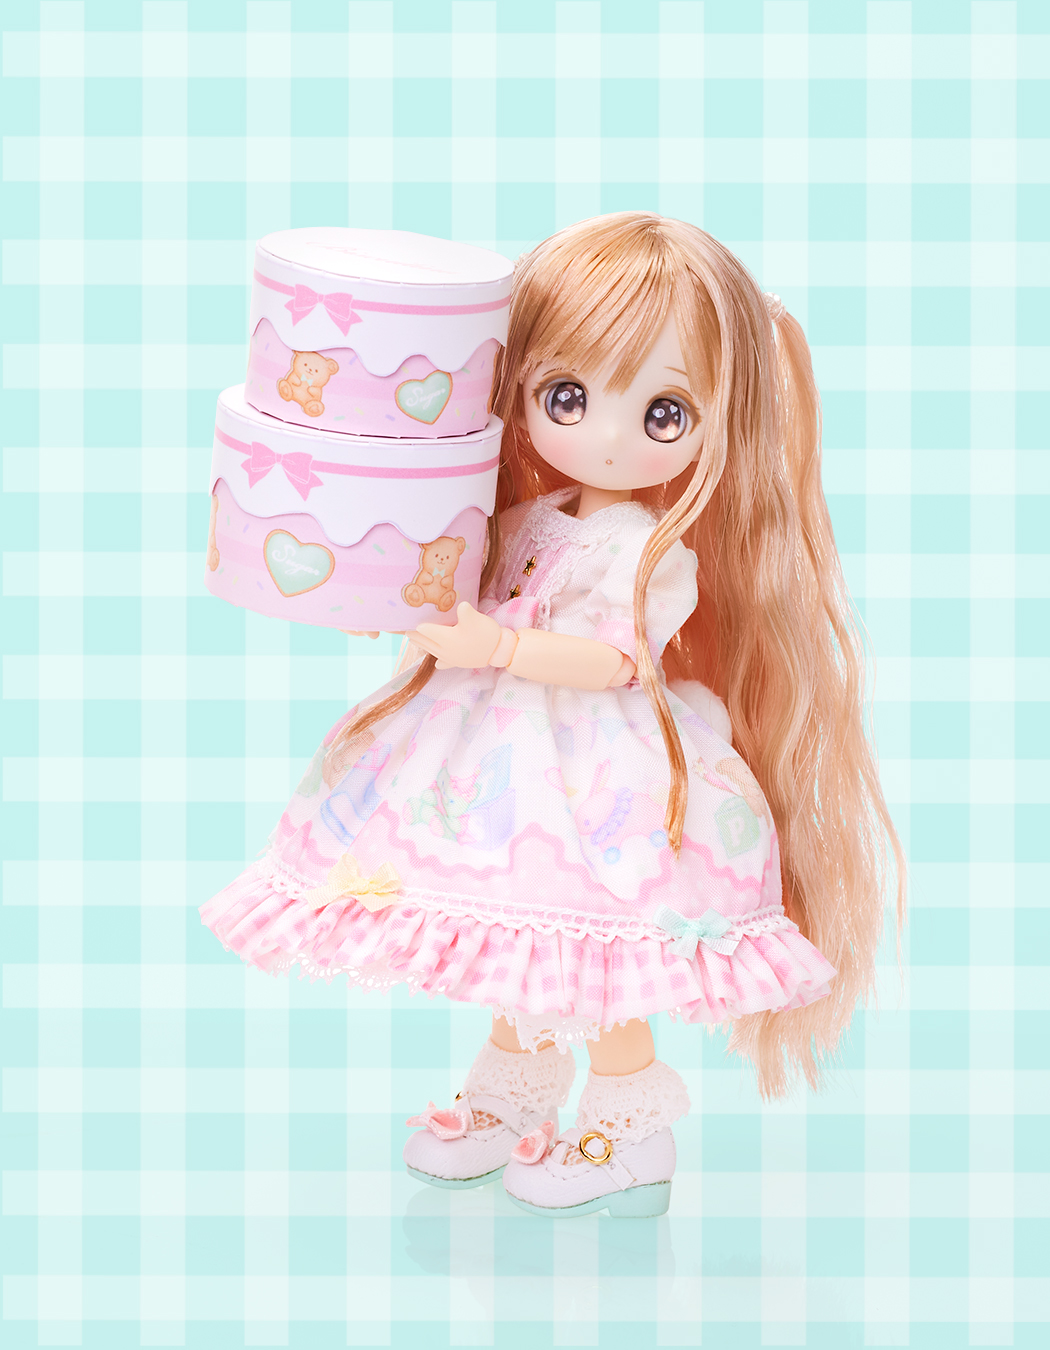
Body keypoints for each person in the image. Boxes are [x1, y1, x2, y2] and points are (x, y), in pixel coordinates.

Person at [200, 212, 904, 1218]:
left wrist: (499, 650)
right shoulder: (525, 519)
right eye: (567, 396)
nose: (607, 437)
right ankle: (508, 1098)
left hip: (597, 772)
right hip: (488, 754)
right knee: (515, 934)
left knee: (595, 950)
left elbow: (618, 661)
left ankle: (630, 1129)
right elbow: (461, 596)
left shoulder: (647, 549)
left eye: (664, 413)